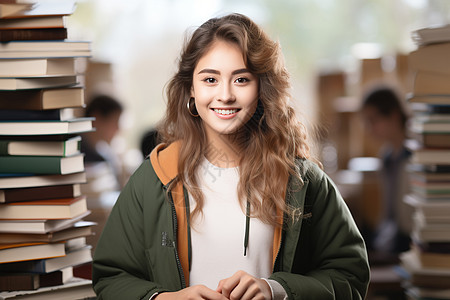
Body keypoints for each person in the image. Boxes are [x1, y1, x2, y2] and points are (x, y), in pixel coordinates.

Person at [92, 13, 370, 300]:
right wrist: (166, 298)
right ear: (191, 88)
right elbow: (111, 277)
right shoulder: (153, 178)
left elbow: (350, 275)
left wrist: (277, 290)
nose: (225, 95)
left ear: (261, 87)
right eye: (210, 79)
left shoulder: (302, 181)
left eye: (241, 79)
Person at [361, 85, 413, 256]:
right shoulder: (387, 156)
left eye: (373, 121)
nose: (370, 129)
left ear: (394, 115)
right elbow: (388, 211)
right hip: (392, 233)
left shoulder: (414, 153)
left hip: (410, 237)